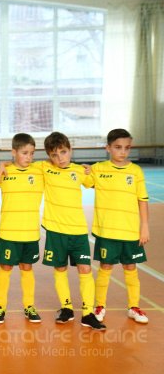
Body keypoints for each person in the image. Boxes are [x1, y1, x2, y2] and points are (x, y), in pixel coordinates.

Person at [39, 132, 105, 330]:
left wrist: (93, 170)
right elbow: (17, 164)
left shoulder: (79, 171)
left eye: (63, 152)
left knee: (85, 268)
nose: (60, 158)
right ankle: (66, 308)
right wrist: (1, 164)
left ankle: (87, 313)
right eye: (54, 155)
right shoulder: (44, 168)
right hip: (55, 231)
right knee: (60, 268)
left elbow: (96, 182)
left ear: (70, 150)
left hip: (78, 231)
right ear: (49, 156)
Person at [90, 129, 150, 324]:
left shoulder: (136, 171)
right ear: (108, 148)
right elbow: (77, 177)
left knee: (130, 267)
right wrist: (83, 169)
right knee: (105, 267)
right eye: (117, 147)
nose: (123, 152)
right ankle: (99, 305)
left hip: (130, 230)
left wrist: (145, 227)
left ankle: (134, 307)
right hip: (107, 230)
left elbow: (142, 200)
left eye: (127, 148)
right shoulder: (98, 169)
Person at [0, 133, 44, 324]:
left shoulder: (40, 171)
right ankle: (0, 307)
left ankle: (29, 307)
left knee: (27, 267)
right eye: (24, 153)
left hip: (30, 233)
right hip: (8, 232)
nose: (28, 157)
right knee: (5, 268)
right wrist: (1, 164)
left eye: (31, 153)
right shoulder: (4, 172)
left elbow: (61, 165)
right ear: (14, 152)